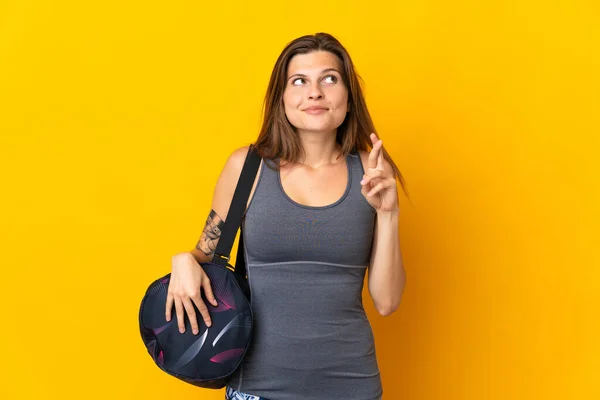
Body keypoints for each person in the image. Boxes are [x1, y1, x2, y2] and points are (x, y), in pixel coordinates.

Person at [166, 32, 407, 400]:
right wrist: (184, 259)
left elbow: (387, 303)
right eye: (299, 81)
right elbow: (207, 254)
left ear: (347, 97)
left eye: (329, 78)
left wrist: (389, 214)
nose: (315, 92)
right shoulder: (247, 168)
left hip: (352, 387)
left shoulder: (371, 175)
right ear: (283, 97)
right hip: (257, 390)